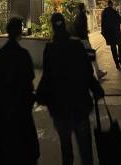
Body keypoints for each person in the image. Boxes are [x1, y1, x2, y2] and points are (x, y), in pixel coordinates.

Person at [36, 13, 103, 165]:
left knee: (66, 148)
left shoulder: (50, 48)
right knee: (85, 149)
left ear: (53, 27)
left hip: (59, 107)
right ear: (65, 25)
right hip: (80, 104)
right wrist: (96, 88)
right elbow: (87, 71)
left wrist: (40, 96)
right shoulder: (76, 45)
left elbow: (47, 76)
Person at [0, 17, 39, 165]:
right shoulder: (23, 54)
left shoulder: (1, 54)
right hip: (19, 109)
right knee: (22, 150)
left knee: (1, 149)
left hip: (1, 108)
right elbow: (29, 82)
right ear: (19, 32)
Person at [73, 2, 107, 80]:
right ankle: (97, 73)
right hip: (83, 39)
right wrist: (85, 34)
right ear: (83, 8)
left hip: (80, 39)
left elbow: (78, 27)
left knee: (86, 56)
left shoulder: (78, 16)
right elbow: (81, 27)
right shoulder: (82, 16)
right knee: (91, 55)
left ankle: (93, 73)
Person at [101, 0, 121, 70]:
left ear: (107, 4)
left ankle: (117, 64)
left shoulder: (103, 12)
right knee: (120, 45)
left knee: (113, 49)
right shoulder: (115, 12)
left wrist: (104, 32)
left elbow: (102, 24)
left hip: (109, 34)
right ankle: (120, 59)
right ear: (112, 4)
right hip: (117, 32)